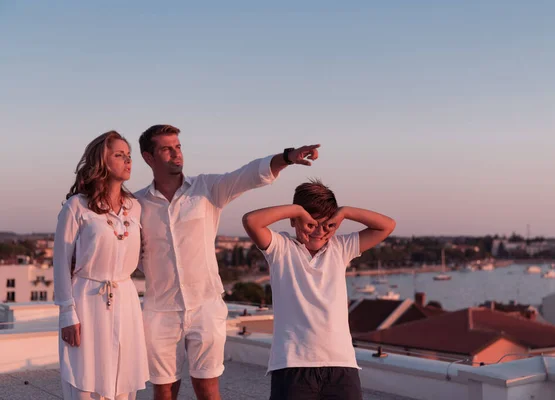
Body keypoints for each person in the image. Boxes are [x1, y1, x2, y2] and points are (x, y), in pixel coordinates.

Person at [135, 124, 320, 400]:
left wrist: (288, 157)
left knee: (208, 389)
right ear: (149, 158)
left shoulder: (207, 188)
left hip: (205, 306)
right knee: (163, 390)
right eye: (166, 149)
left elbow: (249, 174)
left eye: (178, 147)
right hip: (159, 310)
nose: (176, 154)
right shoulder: (136, 203)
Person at [242, 179, 396, 400]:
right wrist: (295, 209)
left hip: (341, 365)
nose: (319, 231)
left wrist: (345, 212)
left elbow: (387, 225)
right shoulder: (280, 248)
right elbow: (251, 221)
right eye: (311, 224)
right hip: (292, 365)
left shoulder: (341, 248)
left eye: (326, 225)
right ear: (295, 221)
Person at [53, 131, 149, 400]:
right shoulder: (77, 207)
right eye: (119, 155)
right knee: (86, 380)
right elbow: (60, 262)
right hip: (87, 299)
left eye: (129, 156)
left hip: (126, 298)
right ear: (101, 161)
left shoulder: (135, 207)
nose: (127, 160)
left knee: (123, 379)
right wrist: (66, 314)